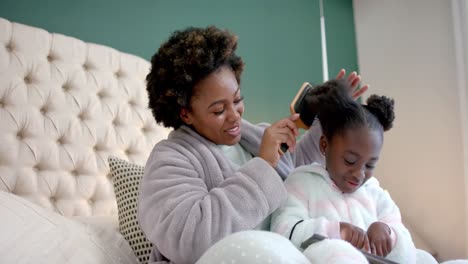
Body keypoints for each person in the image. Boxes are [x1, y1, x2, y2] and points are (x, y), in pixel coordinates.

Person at [138, 25, 366, 264]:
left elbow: (300, 176)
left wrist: (329, 118)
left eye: (237, 99)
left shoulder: (255, 137)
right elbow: (191, 240)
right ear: (185, 114)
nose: (235, 115)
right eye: (218, 110)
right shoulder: (169, 160)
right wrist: (264, 164)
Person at [270, 79, 423, 263]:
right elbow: (284, 232)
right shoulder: (301, 183)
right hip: (330, 259)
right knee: (339, 254)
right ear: (325, 145)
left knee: (426, 258)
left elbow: (405, 246)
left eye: (370, 165)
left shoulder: (375, 194)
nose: (359, 173)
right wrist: (336, 231)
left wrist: (388, 232)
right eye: (350, 161)